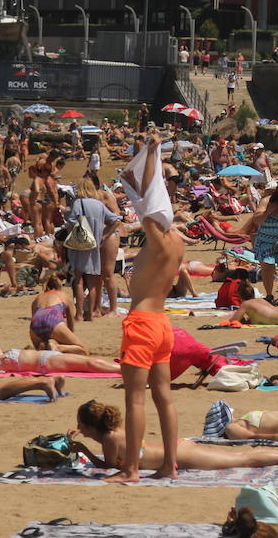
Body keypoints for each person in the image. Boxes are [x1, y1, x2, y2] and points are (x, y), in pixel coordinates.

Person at [108, 135, 183, 483]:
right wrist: (151, 154)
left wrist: (151, 157)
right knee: (164, 398)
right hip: (162, 324)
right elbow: (151, 193)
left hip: (141, 323)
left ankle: (132, 470)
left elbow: (148, 203)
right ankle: (170, 464)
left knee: (135, 400)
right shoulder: (177, 244)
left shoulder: (158, 240)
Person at [68, 400, 278, 476]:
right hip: (179, 450)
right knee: (240, 457)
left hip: (182, 455)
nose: (79, 427)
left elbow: (109, 466)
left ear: (91, 426)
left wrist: (84, 450)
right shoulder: (116, 432)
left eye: (82, 425)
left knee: (243, 459)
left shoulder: (110, 438)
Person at [67, 176, 119, 321]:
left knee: (78, 279)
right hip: (95, 244)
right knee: (94, 280)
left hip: (81, 243)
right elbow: (115, 220)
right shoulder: (99, 204)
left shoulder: (78, 203)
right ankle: (91, 313)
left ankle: (79, 314)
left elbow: (71, 221)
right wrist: (104, 236)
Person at [244, 186, 278, 302]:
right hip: (265, 242)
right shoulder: (265, 202)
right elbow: (257, 221)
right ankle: (269, 295)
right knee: (267, 269)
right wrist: (268, 211)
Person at [29, 277, 88, 354]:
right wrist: (65, 343)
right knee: (84, 350)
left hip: (35, 323)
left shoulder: (38, 298)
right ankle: (57, 348)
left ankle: (44, 346)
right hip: (52, 318)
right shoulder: (63, 295)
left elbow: (35, 317)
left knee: (40, 352)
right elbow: (71, 325)